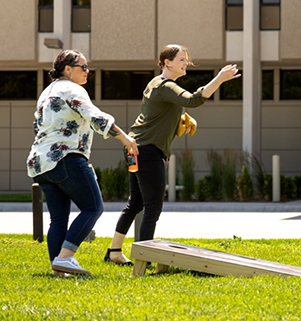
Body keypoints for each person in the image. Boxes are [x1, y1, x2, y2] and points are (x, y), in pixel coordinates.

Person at [105, 44, 240, 265]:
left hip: (135, 147)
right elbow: (194, 99)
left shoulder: (156, 84)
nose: (186, 63)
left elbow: (159, 112)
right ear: (167, 62)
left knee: (136, 203)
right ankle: (144, 259)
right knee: (152, 207)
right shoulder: (167, 86)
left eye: (186, 60)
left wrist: (180, 119)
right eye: (181, 60)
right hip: (148, 151)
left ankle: (114, 252)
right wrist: (220, 79)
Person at [27, 50, 137, 276]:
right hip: (66, 157)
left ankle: (59, 268)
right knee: (93, 207)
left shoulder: (47, 92)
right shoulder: (73, 88)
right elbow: (94, 116)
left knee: (58, 219)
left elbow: (37, 127)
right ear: (67, 69)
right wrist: (125, 138)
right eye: (82, 67)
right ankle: (66, 257)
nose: (87, 71)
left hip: (40, 162)